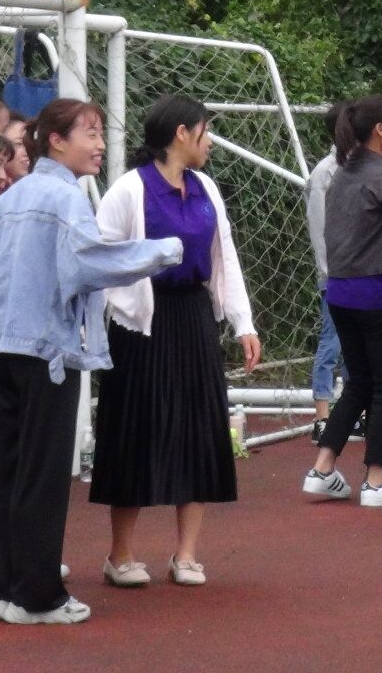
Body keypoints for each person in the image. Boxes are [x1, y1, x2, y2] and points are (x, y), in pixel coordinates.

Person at [0, 98, 186, 625]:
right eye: (90, 133)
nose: (100, 144)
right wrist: (163, 250)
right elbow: (89, 262)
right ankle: (40, 597)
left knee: (9, 470)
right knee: (44, 476)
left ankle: (9, 591)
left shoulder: (13, 195)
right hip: (48, 351)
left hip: (4, 348)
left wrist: (8, 307)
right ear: (57, 140)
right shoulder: (66, 198)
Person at [91, 96, 259, 587]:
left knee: (199, 427)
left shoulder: (206, 187)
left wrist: (243, 322)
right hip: (140, 323)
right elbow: (97, 258)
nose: (210, 142)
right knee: (135, 428)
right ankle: (120, 555)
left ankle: (186, 554)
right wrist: (111, 312)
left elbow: (224, 254)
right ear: (181, 133)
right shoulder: (129, 188)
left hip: (193, 317)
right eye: (205, 131)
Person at [304, 97, 382, 507]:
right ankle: (376, 480)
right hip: (377, 293)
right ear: (379, 130)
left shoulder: (338, 174)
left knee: (360, 381)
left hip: (339, 292)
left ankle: (323, 467)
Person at [305, 108, 345, 442]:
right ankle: (322, 416)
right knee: (331, 342)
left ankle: (353, 413)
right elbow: (319, 230)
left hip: (357, 274)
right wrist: (330, 274)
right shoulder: (324, 173)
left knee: (354, 346)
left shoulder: (357, 168)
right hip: (336, 276)